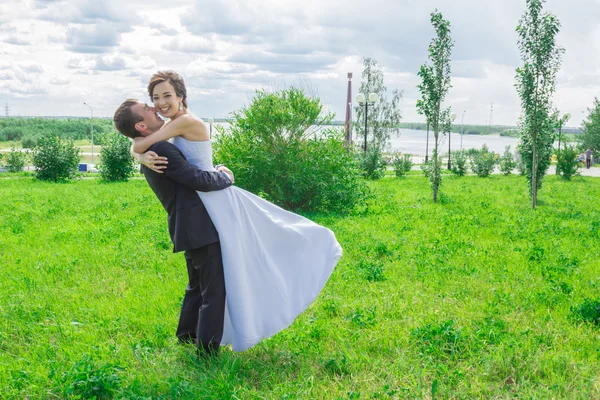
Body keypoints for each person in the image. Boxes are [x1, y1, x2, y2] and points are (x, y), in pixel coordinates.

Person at [126, 71, 342, 352]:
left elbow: (144, 141)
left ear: (181, 95)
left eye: (167, 95)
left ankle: (196, 337)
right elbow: (146, 142)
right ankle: (201, 348)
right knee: (208, 285)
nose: (160, 103)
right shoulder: (173, 128)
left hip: (215, 202)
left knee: (244, 256)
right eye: (155, 98)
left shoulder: (185, 122)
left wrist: (138, 151)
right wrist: (139, 153)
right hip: (207, 205)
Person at [114, 99, 234, 356]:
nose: (154, 107)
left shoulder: (150, 149)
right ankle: (206, 352)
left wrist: (136, 151)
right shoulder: (160, 150)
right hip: (198, 225)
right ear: (141, 125)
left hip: (188, 226)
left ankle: (187, 337)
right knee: (213, 288)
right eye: (147, 108)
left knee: (197, 284)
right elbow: (196, 179)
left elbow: (188, 175)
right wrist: (225, 176)